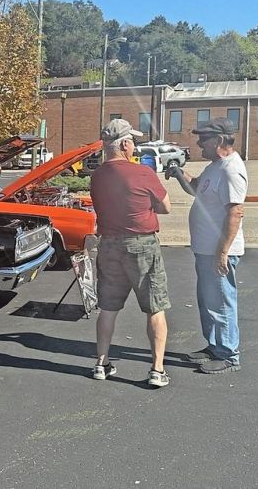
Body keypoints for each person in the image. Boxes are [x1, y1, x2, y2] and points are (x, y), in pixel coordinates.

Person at [90, 119, 172, 387]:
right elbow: (166, 207)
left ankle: (101, 363)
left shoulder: (98, 175)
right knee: (155, 307)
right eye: (133, 141)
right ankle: (157, 370)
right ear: (124, 144)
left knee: (108, 308)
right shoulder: (142, 173)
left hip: (109, 245)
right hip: (141, 245)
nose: (135, 146)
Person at [165, 117, 247, 374]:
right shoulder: (215, 166)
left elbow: (235, 213)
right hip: (206, 250)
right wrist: (179, 173)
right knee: (209, 301)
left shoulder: (231, 169)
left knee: (221, 302)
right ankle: (214, 347)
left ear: (220, 140)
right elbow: (197, 188)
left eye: (204, 138)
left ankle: (228, 355)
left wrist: (222, 253)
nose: (199, 143)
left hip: (218, 252)